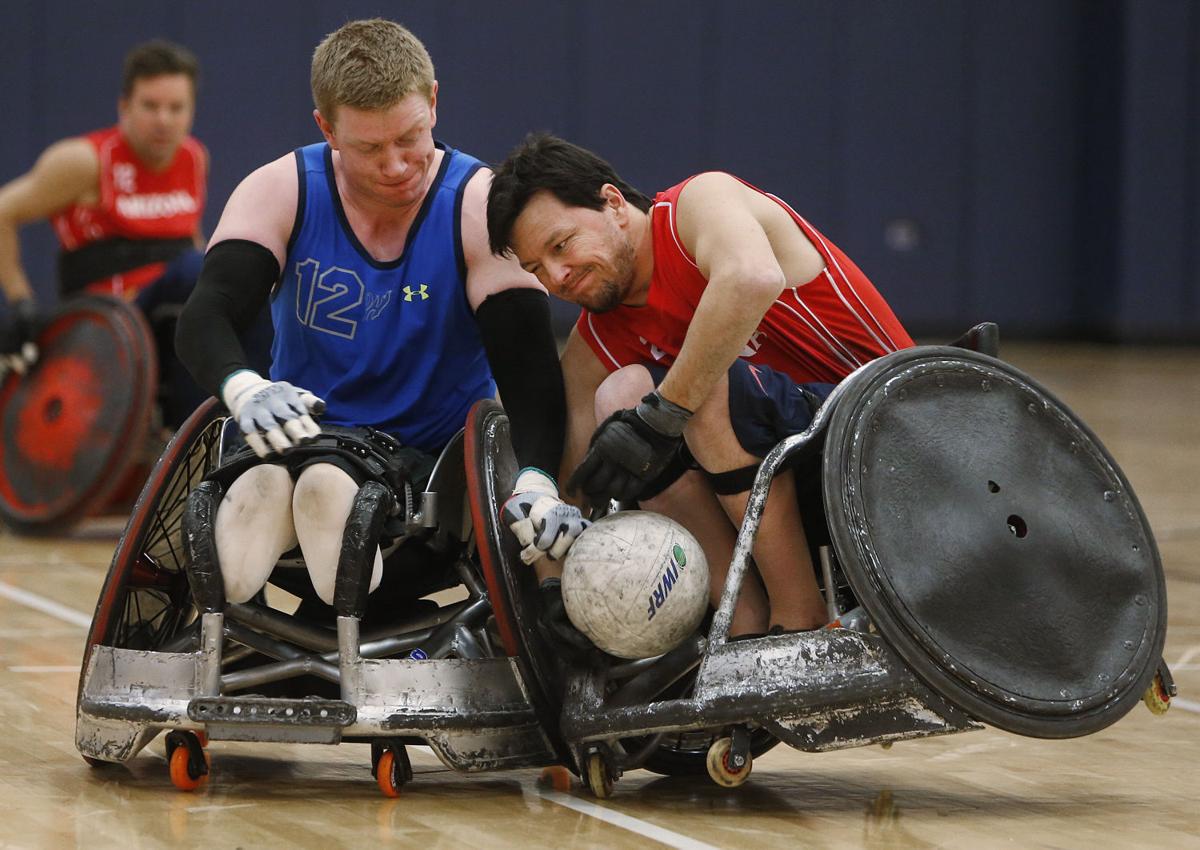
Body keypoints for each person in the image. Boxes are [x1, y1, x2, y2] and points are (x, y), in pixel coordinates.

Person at [175, 20, 585, 630]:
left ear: (435, 102)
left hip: (425, 480)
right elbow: (205, 315)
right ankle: (277, 514)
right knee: (267, 487)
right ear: (326, 128)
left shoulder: (478, 205)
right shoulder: (282, 188)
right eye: (369, 148)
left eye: (411, 137)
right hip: (295, 437)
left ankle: (329, 523)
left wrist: (538, 482)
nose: (396, 165)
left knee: (328, 485)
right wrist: (245, 388)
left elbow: (530, 379)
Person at [486, 133, 915, 639]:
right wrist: (553, 588)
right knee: (619, 399)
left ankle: (799, 617)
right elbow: (568, 487)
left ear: (613, 203)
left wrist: (664, 414)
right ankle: (741, 619)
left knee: (695, 394)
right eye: (537, 269)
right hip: (803, 478)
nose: (556, 277)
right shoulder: (600, 332)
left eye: (562, 245)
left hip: (896, 433)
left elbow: (752, 278)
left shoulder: (700, 204)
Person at [0, 40, 218, 425]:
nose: (164, 120)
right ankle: (193, 438)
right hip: (106, 325)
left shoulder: (194, 157)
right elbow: (4, 211)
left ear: (192, 112)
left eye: (176, 108)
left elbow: (191, 241)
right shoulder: (83, 161)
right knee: (196, 274)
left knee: (239, 290)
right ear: (124, 107)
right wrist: (20, 302)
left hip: (168, 316)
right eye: (150, 106)